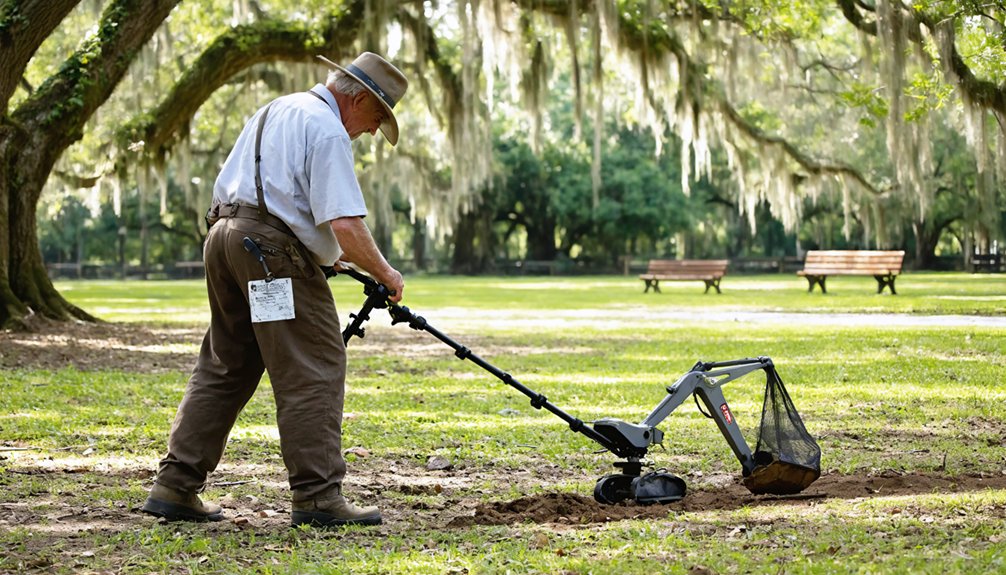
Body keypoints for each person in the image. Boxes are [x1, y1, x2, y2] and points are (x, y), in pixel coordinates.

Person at [142, 52, 408, 527]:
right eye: (376, 117)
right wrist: (387, 273)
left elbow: (277, 196)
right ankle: (318, 496)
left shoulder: (276, 109)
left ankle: (175, 484)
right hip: (270, 253)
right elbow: (343, 220)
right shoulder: (327, 129)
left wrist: (327, 253)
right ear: (360, 98)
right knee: (313, 365)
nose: (371, 131)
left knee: (227, 364)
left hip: (225, 239)